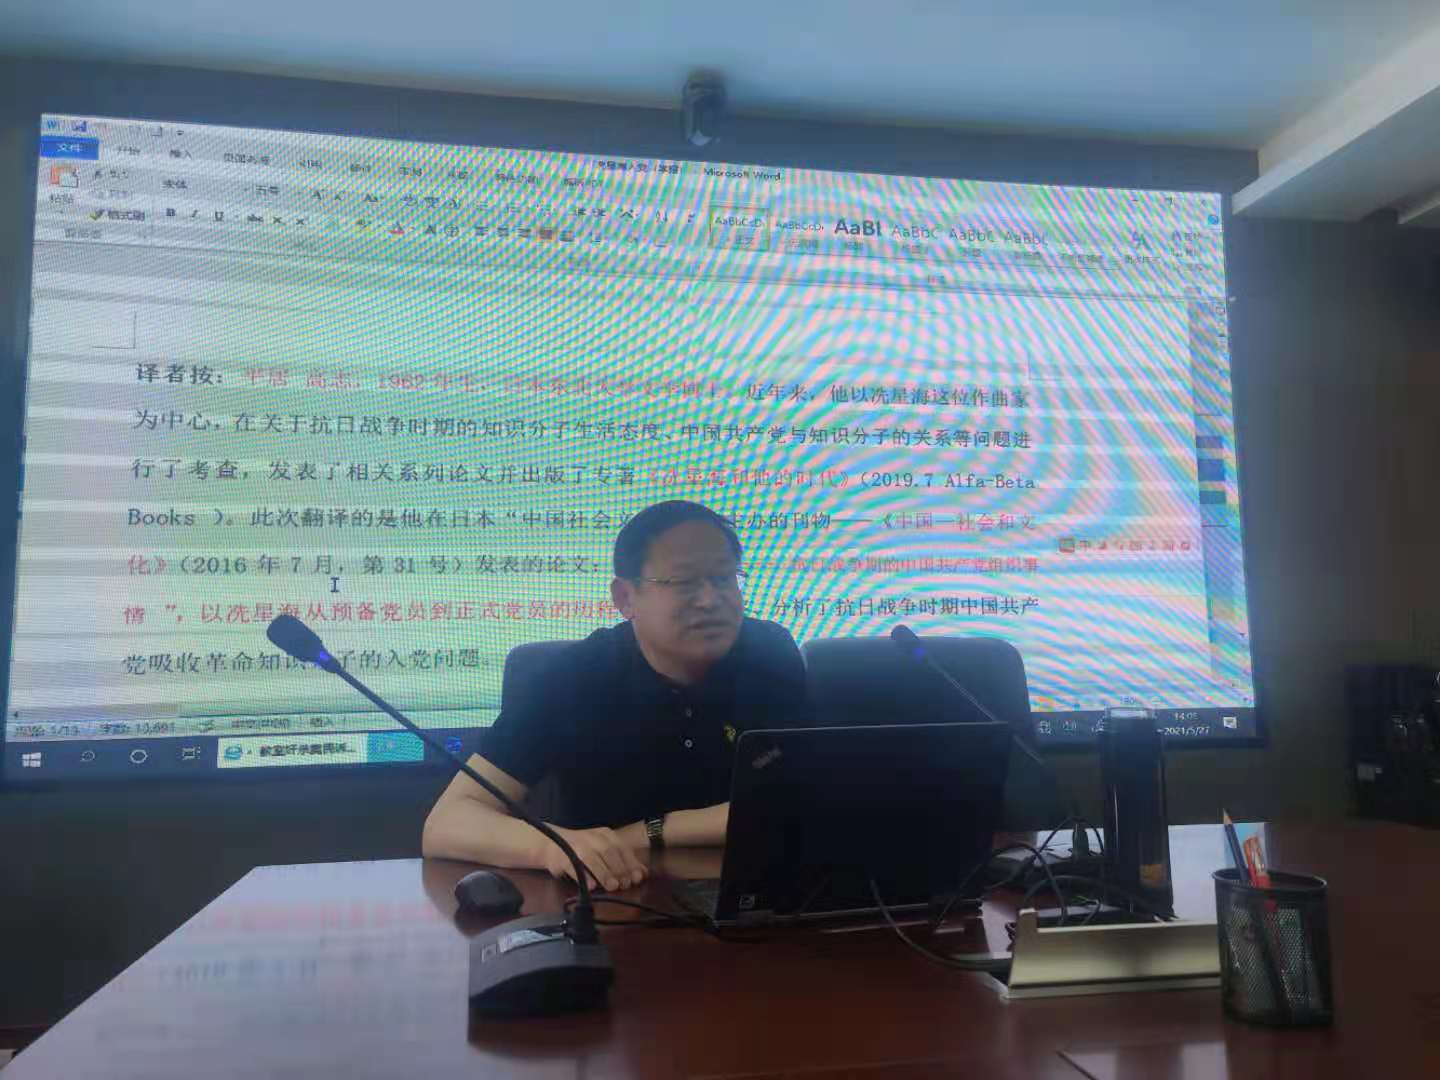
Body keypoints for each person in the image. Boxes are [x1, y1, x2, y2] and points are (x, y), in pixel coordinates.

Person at [421, 500, 808, 892]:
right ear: (625, 598)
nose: (710, 600)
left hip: (752, 896)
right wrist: (553, 846)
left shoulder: (769, 653)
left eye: (724, 577)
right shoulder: (575, 675)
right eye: (684, 582)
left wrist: (648, 832)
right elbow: (447, 823)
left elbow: (793, 798)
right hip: (610, 899)